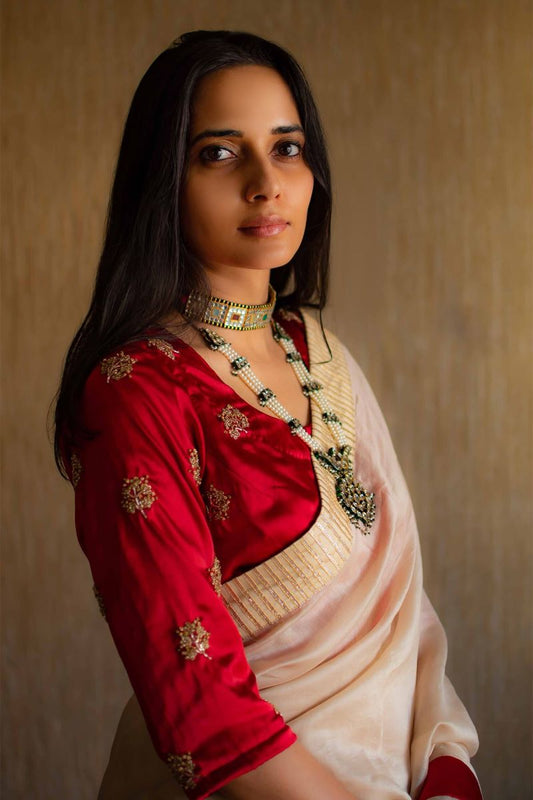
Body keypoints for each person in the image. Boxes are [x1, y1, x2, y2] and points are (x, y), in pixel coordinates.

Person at [54, 30, 483, 800]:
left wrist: (444, 765)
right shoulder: (134, 390)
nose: (265, 182)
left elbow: (402, 616)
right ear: (163, 179)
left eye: (286, 148)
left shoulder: (319, 353)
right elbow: (201, 709)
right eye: (219, 153)